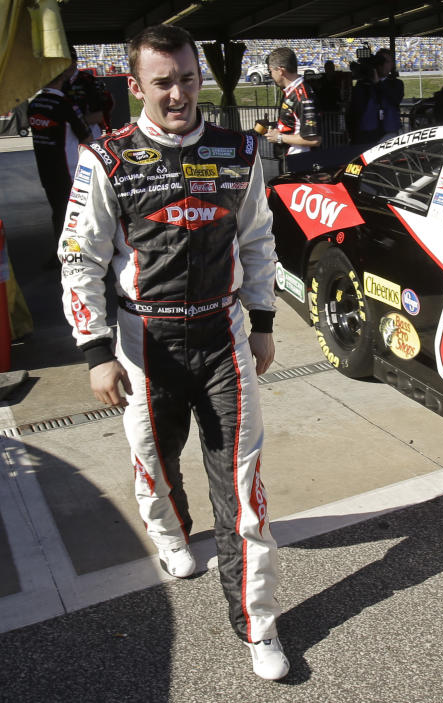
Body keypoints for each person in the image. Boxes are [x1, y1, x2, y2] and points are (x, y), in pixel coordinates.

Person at [59, 24, 288, 681]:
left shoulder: (239, 152)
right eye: (163, 81)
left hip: (223, 338)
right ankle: (170, 533)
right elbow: (79, 259)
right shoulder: (104, 159)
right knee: (154, 469)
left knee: (244, 493)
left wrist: (265, 320)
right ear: (134, 86)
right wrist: (95, 348)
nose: (179, 92)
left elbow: (258, 241)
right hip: (142, 341)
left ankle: (259, 625)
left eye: (187, 77)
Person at [28, 66, 91, 248]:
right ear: (62, 77)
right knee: (76, 213)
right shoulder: (65, 104)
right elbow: (86, 135)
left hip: (45, 168)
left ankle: (60, 252)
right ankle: (77, 253)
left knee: (57, 211)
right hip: (68, 169)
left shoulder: (35, 104)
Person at [265, 46, 321, 158]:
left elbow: (314, 139)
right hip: (288, 161)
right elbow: (293, 125)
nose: (271, 75)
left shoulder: (302, 96)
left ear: (280, 71)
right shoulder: (291, 92)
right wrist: (272, 128)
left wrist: (279, 137)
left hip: (300, 163)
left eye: (270, 71)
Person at [66, 45, 109, 138]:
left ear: (74, 60)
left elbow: (100, 114)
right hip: (65, 136)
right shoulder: (57, 81)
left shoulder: (90, 81)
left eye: (68, 60)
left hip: (89, 134)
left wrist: (72, 122)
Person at [373, 49, 404, 138]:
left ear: (392, 65)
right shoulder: (365, 84)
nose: (383, 65)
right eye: (381, 61)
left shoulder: (397, 84)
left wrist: (378, 83)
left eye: (386, 62)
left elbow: (394, 100)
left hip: (389, 131)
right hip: (369, 132)